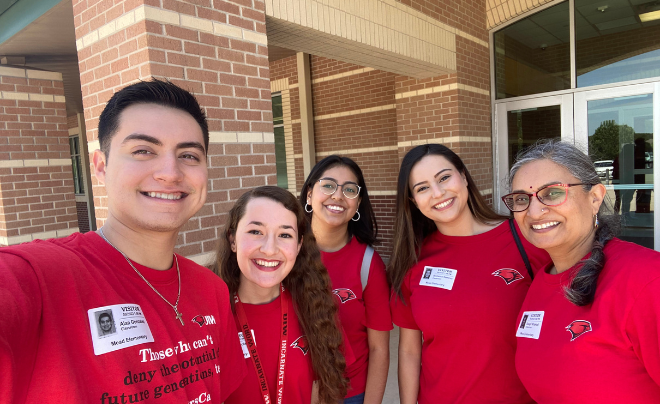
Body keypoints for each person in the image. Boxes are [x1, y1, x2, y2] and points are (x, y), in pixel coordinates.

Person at [0, 79, 246, 403]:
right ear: (100, 167)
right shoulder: (38, 277)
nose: (170, 172)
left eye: (188, 155)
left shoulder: (211, 289)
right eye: (143, 150)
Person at [388, 144, 549, 404]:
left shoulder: (524, 239)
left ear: (463, 176)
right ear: (413, 201)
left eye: (444, 178)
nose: (438, 193)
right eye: (422, 188)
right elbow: (408, 351)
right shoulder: (412, 261)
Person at [505, 140, 660, 403]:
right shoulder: (540, 284)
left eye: (552, 192)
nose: (534, 211)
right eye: (521, 199)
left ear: (595, 197)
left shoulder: (646, 279)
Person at [213, 186, 349, 404]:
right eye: (256, 231)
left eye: (285, 234)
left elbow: (327, 391)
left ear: (298, 246)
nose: (269, 249)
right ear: (233, 240)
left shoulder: (315, 307)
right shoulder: (209, 316)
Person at [300, 156, 392, 404]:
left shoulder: (368, 263)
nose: (338, 196)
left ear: (358, 203)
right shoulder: (286, 252)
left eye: (349, 189)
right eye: (328, 185)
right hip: (292, 391)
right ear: (309, 194)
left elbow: (379, 350)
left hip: (350, 394)